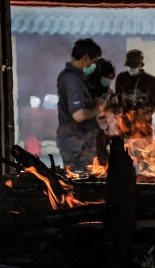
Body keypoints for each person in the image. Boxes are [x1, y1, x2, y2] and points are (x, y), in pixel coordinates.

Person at [56, 38, 104, 170]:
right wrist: (99, 106)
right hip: (77, 146)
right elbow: (79, 115)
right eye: (93, 62)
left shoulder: (75, 78)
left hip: (80, 144)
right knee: (83, 187)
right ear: (85, 58)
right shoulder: (72, 80)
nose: (92, 66)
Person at [114, 49, 155, 139]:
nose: (132, 68)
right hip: (125, 121)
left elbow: (154, 102)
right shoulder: (122, 78)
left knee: (144, 148)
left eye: (134, 66)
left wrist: (144, 114)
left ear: (140, 65)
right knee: (125, 147)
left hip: (143, 123)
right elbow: (118, 97)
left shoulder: (150, 81)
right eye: (130, 66)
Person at [85, 58, 116, 165]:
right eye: (106, 78)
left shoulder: (107, 92)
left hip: (102, 136)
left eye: (110, 79)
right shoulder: (84, 90)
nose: (108, 81)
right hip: (86, 139)